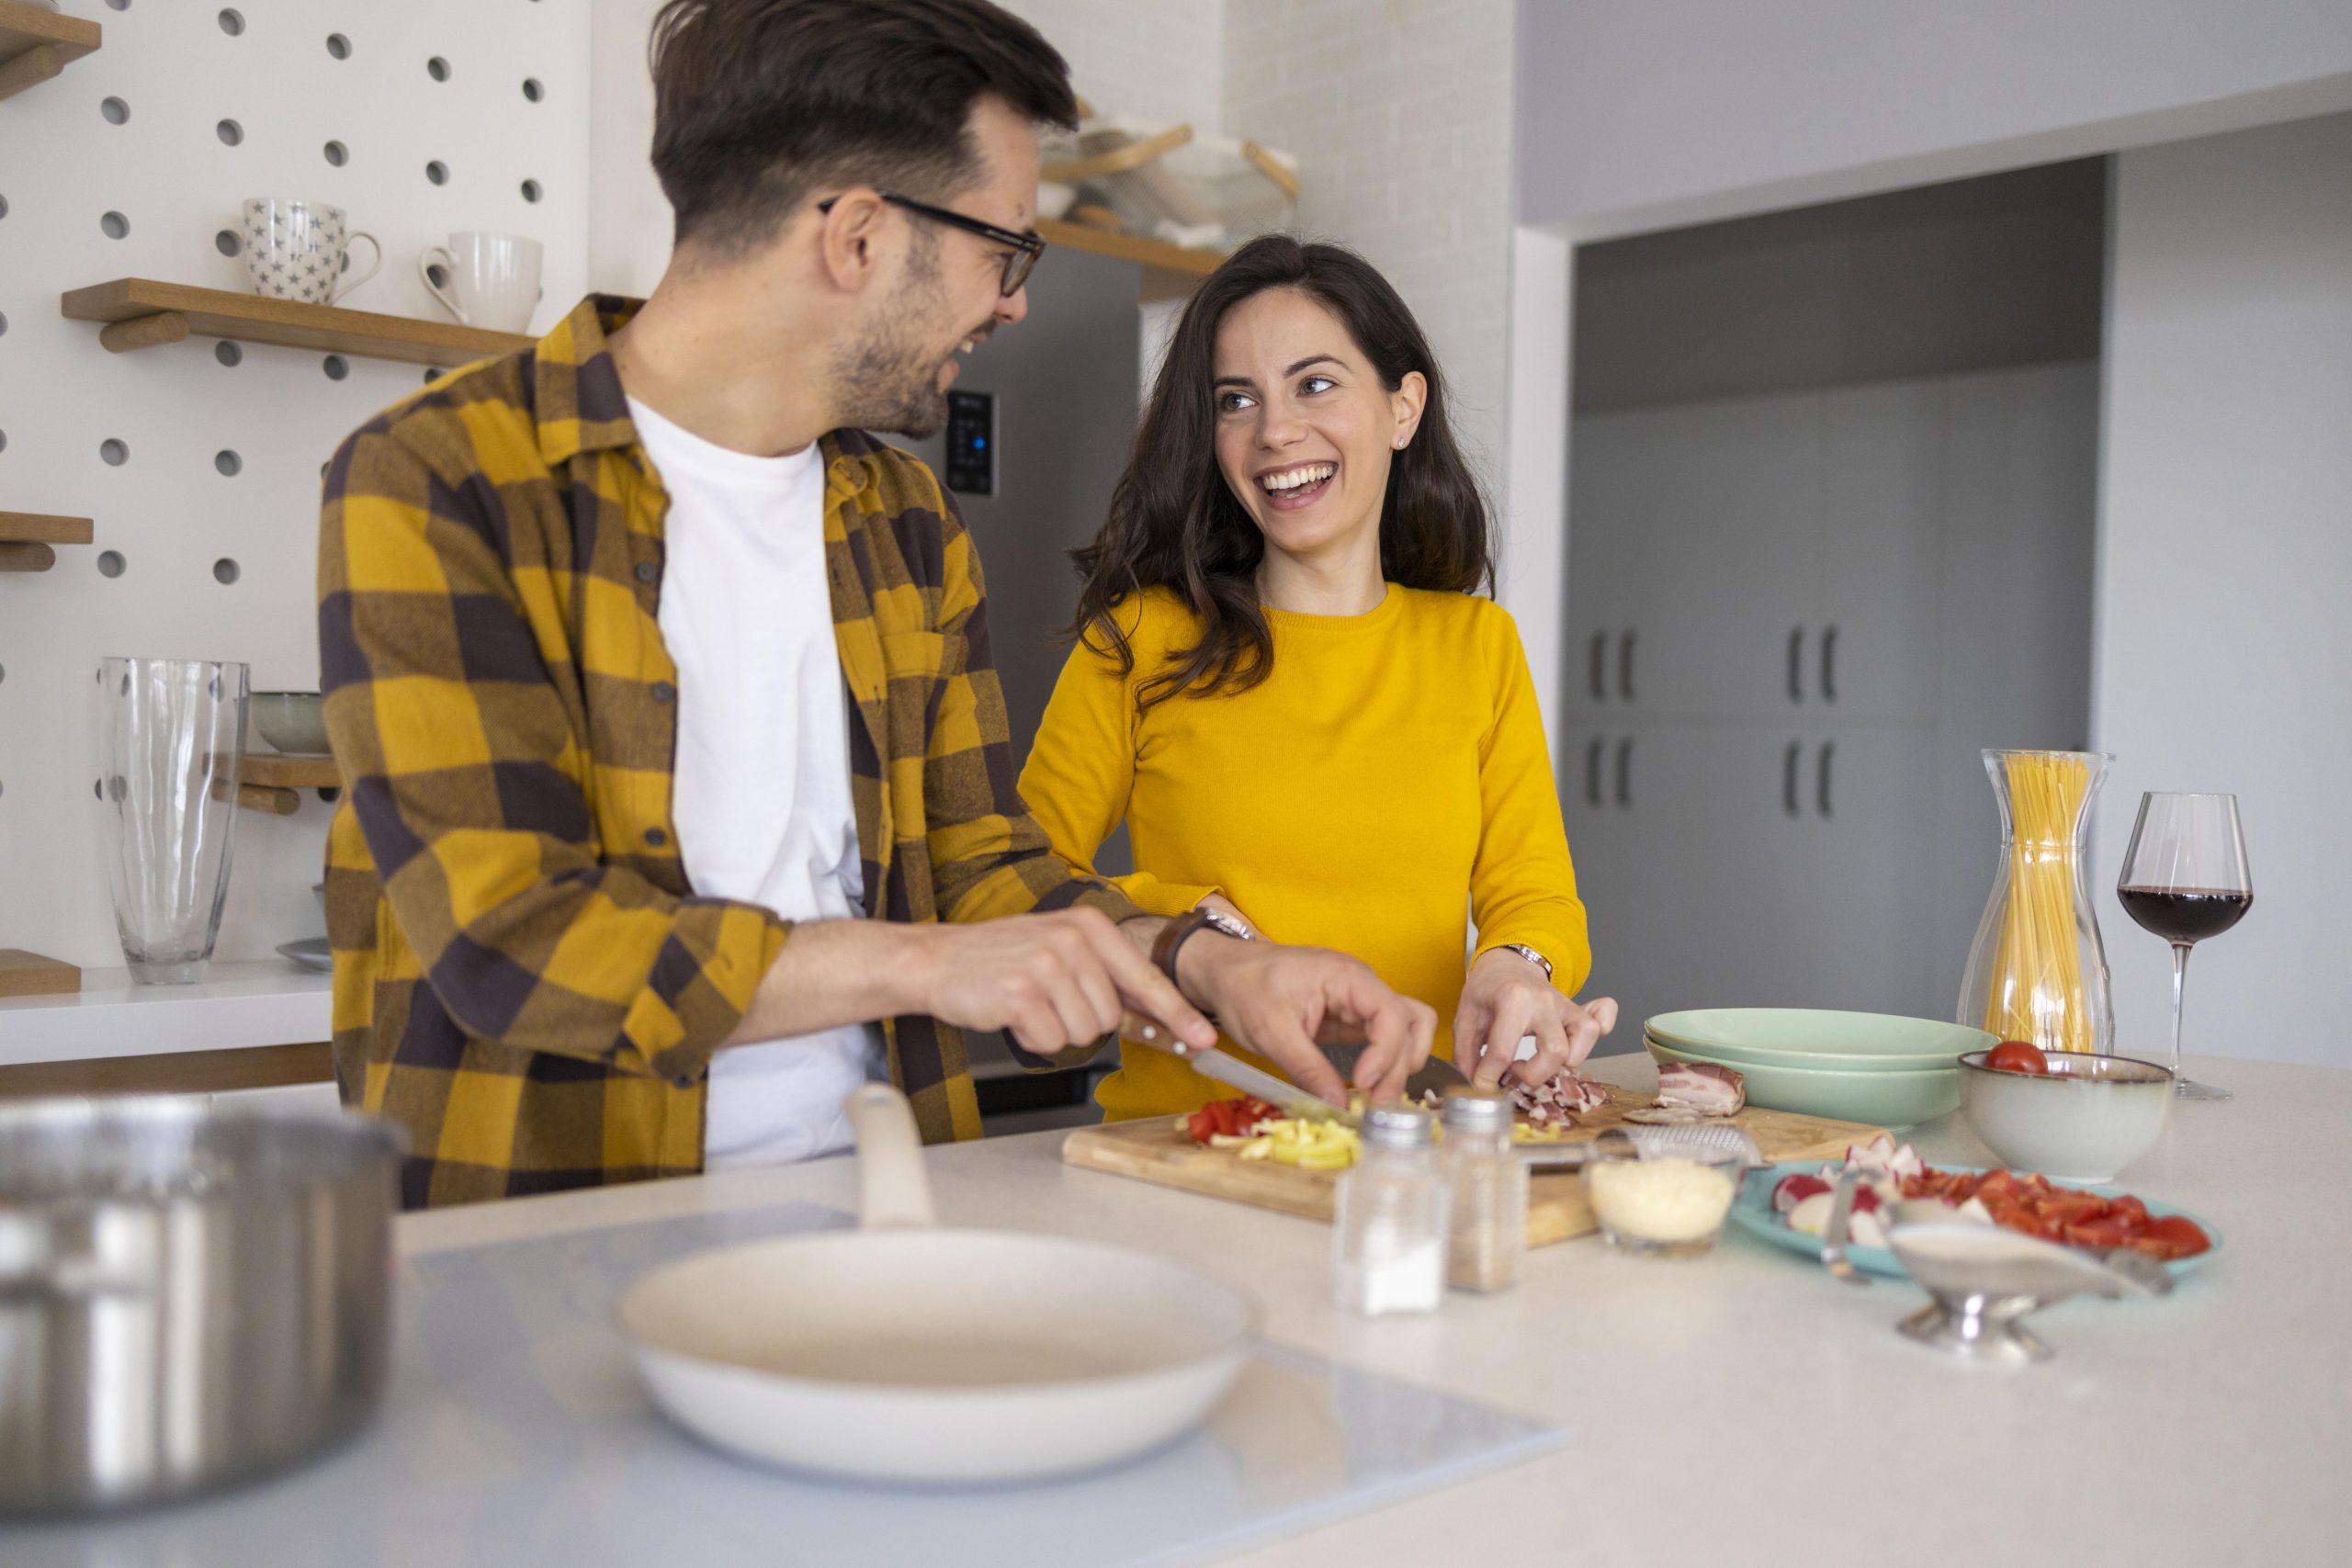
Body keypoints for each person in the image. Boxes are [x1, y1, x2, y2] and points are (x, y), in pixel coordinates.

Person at [315, 0, 1432, 1208]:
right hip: (551, 1239)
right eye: (1005, 250)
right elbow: (512, 938)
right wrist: (928, 963)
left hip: (885, 1206)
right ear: (856, 236)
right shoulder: (441, 479)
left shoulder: (903, 521)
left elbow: (977, 862)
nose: (1010, 303)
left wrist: (1213, 962)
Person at [1019, 236, 1618, 1122]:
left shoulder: (1477, 645)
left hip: (1405, 1146)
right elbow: (1018, 879)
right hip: (1186, 1150)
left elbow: (1533, 893)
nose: (1276, 431)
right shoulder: (1141, 640)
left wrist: (1515, 966)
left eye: (1316, 383)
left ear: (1403, 407)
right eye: (1237, 399)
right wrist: (1197, 929)